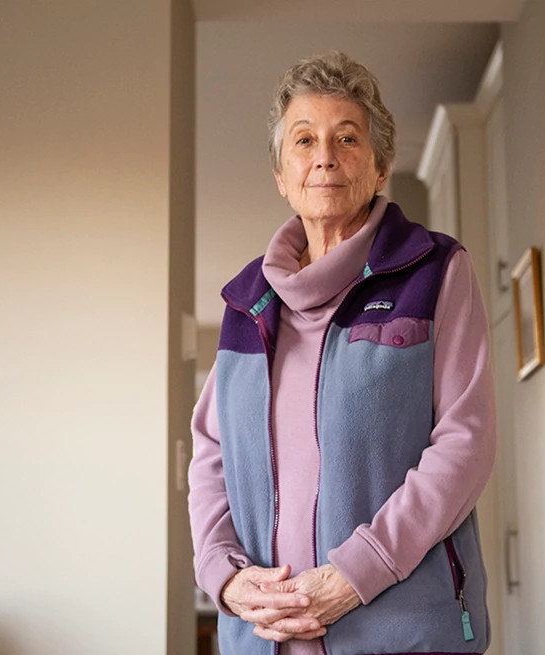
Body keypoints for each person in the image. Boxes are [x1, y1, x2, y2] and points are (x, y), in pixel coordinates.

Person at [188, 51, 496, 655]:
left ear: (380, 168)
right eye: (304, 140)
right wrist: (226, 576)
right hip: (264, 637)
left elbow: (466, 442)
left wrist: (358, 573)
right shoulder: (244, 303)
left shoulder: (433, 272)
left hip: (402, 631)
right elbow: (211, 457)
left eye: (346, 138)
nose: (324, 155)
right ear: (281, 175)